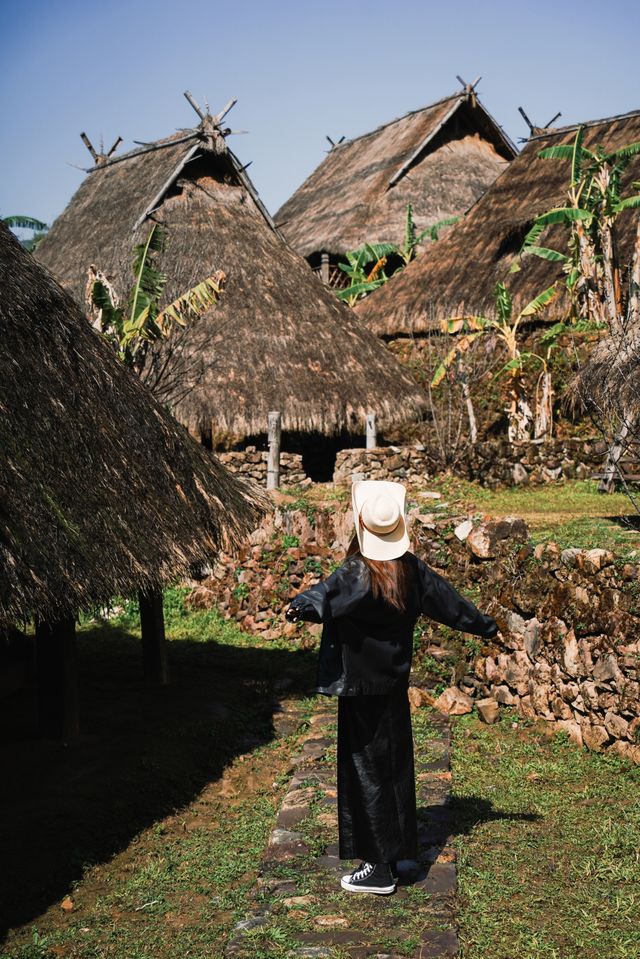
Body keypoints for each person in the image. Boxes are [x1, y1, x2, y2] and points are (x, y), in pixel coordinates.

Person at [285, 480, 498, 896]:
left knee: (366, 771)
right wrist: (486, 626)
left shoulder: (358, 570)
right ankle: (401, 853)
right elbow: (452, 605)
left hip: (361, 687)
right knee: (396, 765)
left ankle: (379, 868)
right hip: (393, 684)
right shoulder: (411, 570)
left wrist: (300, 607)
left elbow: (323, 596)